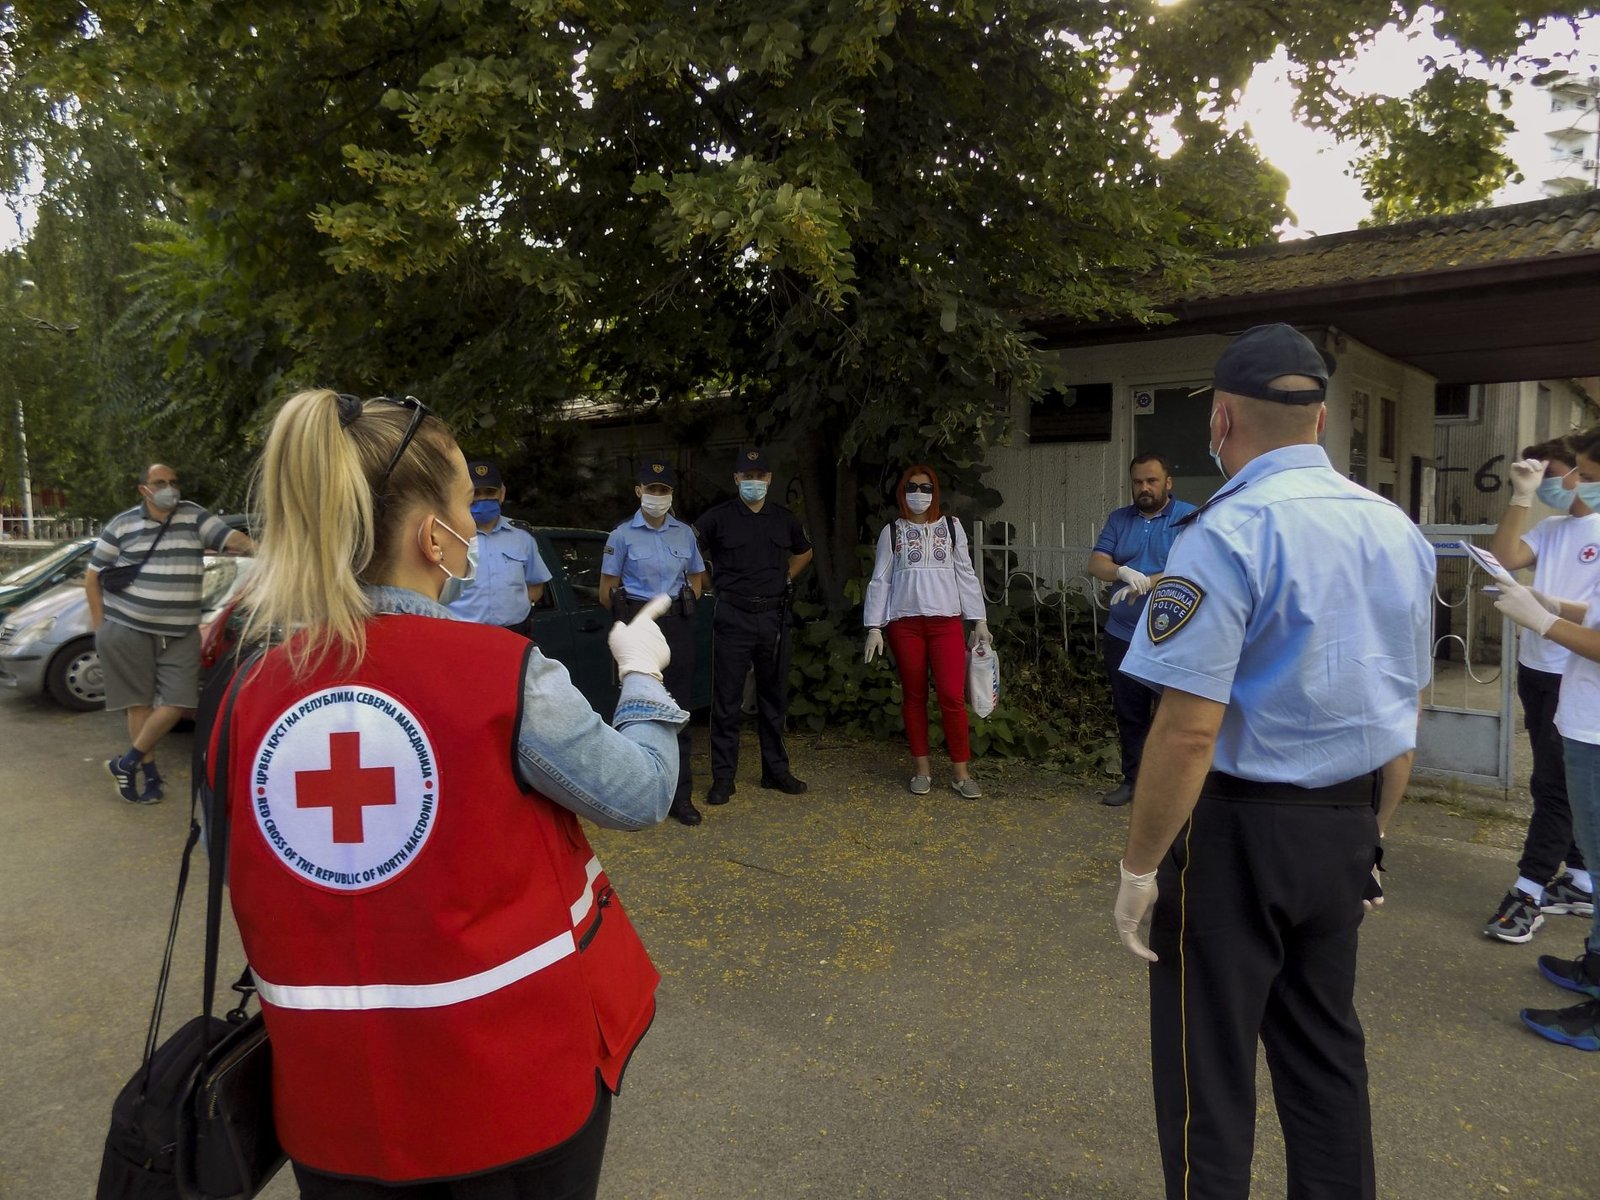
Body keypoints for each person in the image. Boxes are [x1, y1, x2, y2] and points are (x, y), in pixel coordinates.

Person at [218, 389, 686, 1197]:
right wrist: (642, 674)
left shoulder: (243, 694)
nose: (478, 520)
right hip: (512, 1091)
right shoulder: (502, 672)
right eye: (468, 502)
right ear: (432, 537)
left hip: (331, 1106)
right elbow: (641, 792)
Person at [1111, 324, 1435, 1200]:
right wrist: (1371, 836)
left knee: (1207, 1074)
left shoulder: (1225, 531)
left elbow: (1187, 729)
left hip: (1235, 834)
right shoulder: (1397, 531)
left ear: (1221, 420)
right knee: (1325, 1053)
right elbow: (1404, 710)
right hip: (1346, 820)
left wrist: (1140, 866)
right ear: (1321, 419)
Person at [1491, 422, 1600, 1054]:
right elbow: (1508, 557)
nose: (1575, 482)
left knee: (1558, 794)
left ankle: (1532, 889)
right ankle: (1592, 950)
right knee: (1573, 806)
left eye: (1583, 472)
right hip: (1566, 691)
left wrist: (1546, 616)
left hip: (1583, 693)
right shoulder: (1555, 527)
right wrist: (1551, 606)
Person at [87, 462, 253, 804]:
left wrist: (271, 549)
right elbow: (93, 576)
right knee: (140, 705)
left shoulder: (193, 516)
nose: (169, 488)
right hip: (128, 627)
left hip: (180, 631)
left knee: (179, 702)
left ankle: (125, 763)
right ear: (144, 490)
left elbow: (233, 540)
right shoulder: (122, 525)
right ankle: (149, 776)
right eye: (160, 482)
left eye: (173, 481)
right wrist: (100, 626)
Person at [862, 464, 992, 798]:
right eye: (911, 487)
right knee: (914, 695)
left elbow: (966, 573)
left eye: (926, 488)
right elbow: (880, 579)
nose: (918, 494)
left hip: (945, 622)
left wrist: (978, 620)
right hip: (905, 624)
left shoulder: (951, 527)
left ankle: (961, 773)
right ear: (901, 492)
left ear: (935, 492)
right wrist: (874, 626)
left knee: (951, 696)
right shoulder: (892, 531)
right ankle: (922, 770)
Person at [694, 445, 813, 806]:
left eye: (760, 476)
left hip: (773, 615)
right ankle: (723, 777)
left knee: (773, 698)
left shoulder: (783, 519)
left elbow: (804, 551)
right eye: (747, 476)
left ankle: (775, 771)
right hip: (733, 614)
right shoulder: (718, 518)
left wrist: (785, 577)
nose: (754, 482)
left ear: (769, 479)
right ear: (736, 478)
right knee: (726, 701)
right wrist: (711, 583)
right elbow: (689, 549)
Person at [1086, 453, 1198, 807]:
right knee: (1129, 713)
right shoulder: (1119, 519)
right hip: (1123, 633)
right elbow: (1096, 563)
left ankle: (1170, 789)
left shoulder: (1188, 517)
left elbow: (1196, 568)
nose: (1144, 488)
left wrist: (1149, 581)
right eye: (1138, 482)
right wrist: (1121, 571)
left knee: (1172, 716)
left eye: (1152, 481)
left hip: (1172, 635)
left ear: (1168, 482)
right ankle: (1133, 781)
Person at [600, 460, 709, 825]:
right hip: (637, 622)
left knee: (678, 709)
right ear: (639, 491)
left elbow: (697, 577)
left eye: (664, 490)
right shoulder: (621, 535)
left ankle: (681, 796)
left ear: (671, 494)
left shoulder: (685, 533)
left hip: (676, 623)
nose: (657, 495)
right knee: (637, 709)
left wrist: (681, 607)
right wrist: (632, 624)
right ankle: (638, 794)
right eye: (652, 489)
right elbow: (606, 590)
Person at [444, 459, 552, 635]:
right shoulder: (448, 537)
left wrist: (520, 608)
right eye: (476, 493)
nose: (482, 498)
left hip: (515, 632)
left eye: (490, 492)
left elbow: (536, 584)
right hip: (464, 633)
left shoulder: (522, 537)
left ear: (502, 494)